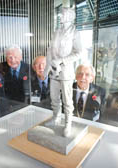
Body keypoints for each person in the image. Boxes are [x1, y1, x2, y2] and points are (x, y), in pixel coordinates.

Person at [44, 7, 82, 137]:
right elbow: (50, 50)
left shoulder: (75, 33)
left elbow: (79, 53)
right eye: (61, 14)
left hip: (65, 72)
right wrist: (47, 68)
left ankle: (68, 124)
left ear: (70, 16)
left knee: (67, 100)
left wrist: (62, 60)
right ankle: (56, 118)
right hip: (54, 72)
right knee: (54, 97)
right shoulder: (56, 32)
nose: (61, 16)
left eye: (63, 14)